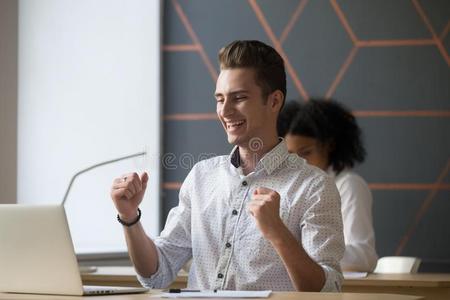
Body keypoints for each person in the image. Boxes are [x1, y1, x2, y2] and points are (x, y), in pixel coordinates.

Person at [110, 40, 344, 292]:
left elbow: (328, 292)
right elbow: (157, 273)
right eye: (220, 99)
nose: (226, 111)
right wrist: (129, 217)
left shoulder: (314, 186)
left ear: (274, 101)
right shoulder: (201, 176)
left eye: (239, 98)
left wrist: (277, 232)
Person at [278, 99, 378, 272]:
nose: (298, 162)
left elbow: (364, 257)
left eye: (306, 153)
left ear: (330, 146)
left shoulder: (348, 185)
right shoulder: (286, 188)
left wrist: (303, 251)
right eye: (290, 154)